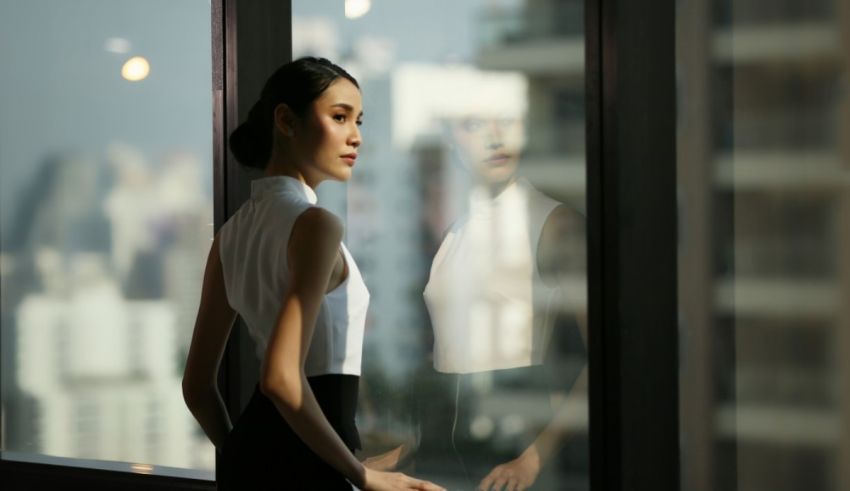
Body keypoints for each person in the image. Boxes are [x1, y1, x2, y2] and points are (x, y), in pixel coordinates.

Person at [182, 57, 445, 491]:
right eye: (339, 117)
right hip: (310, 468)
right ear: (285, 120)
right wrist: (360, 474)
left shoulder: (229, 236)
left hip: (255, 460)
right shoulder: (315, 225)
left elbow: (196, 386)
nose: (356, 136)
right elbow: (281, 378)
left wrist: (242, 456)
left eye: (358, 120)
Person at [415, 73, 588, 490]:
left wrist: (533, 459)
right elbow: (447, 359)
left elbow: (605, 358)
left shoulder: (553, 224)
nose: (495, 137)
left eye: (506, 120)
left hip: (516, 449)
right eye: (475, 124)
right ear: (453, 138)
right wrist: (411, 448)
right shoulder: (453, 234)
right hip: (447, 451)